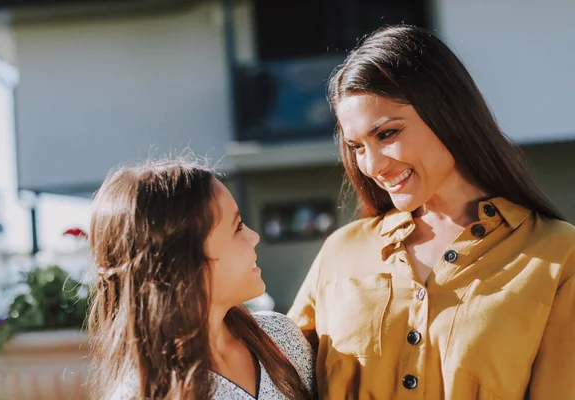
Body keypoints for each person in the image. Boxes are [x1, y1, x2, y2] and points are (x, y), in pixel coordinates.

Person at [288, 24, 575, 399]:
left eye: (387, 134)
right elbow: (270, 375)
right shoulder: (341, 252)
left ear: (446, 113)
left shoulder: (559, 256)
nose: (372, 166)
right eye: (356, 146)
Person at [87, 158, 315, 399]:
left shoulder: (280, 336)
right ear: (184, 261)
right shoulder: (142, 394)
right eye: (237, 227)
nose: (254, 236)